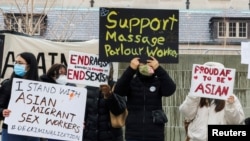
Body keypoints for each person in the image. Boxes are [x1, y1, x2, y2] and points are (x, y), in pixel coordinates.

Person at [113, 56, 176, 141]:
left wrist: (158, 68)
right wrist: (131, 69)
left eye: (149, 64)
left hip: (155, 133)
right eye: (143, 64)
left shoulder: (158, 82)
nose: (146, 66)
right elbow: (118, 91)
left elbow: (170, 90)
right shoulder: (131, 82)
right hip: (133, 133)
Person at [179, 61, 245, 141]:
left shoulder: (230, 97)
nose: (211, 80)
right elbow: (186, 113)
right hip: (196, 138)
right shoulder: (196, 95)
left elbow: (236, 122)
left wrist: (230, 105)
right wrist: (193, 96)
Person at [0, 52, 40, 141]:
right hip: (11, 129)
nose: (17, 65)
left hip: (32, 131)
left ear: (30, 66)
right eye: (16, 62)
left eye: (20, 63)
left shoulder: (41, 87)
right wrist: (2, 111)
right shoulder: (7, 84)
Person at [83, 62, 127, 141]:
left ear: (110, 70)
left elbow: (119, 110)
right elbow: (83, 113)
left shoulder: (117, 86)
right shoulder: (87, 88)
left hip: (110, 136)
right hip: (89, 136)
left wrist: (109, 95)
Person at [40, 63, 75, 141]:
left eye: (64, 74)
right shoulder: (42, 84)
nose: (61, 76)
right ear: (52, 74)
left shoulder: (71, 86)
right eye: (59, 73)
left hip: (62, 124)